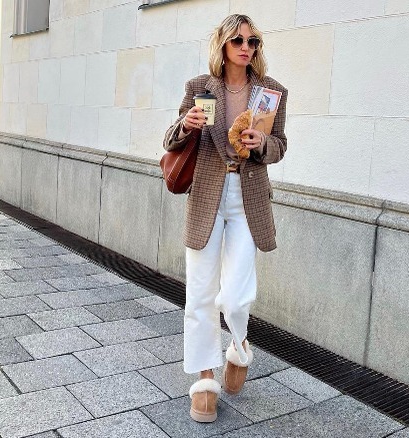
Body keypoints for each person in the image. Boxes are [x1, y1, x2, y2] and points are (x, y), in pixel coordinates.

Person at [162, 14, 288, 423]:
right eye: (238, 39)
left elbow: (280, 144)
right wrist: (187, 125)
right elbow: (170, 140)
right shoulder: (201, 89)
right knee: (200, 292)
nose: (246, 47)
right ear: (223, 44)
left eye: (253, 41)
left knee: (235, 294)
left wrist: (262, 143)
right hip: (206, 197)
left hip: (246, 196)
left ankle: (239, 346)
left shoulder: (271, 93)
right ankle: (204, 381)